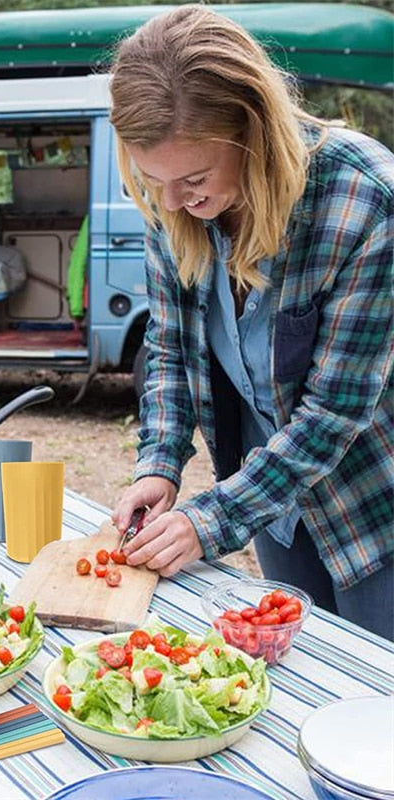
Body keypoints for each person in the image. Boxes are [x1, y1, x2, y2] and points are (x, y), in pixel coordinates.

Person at [108, 5, 393, 640]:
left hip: (376, 504)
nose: (175, 202)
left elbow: (337, 411)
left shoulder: (366, 197)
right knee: (305, 677)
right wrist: (159, 462)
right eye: (155, 182)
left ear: (254, 132)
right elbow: (170, 350)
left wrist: (208, 521)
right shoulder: (173, 202)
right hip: (274, 507)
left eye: (195, 178)